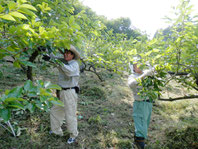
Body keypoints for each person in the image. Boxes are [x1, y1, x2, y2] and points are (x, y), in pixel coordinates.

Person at [43, 45, 80, 144]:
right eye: (65, 52)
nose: (65, 54)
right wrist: (45, 50)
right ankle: (56, 131)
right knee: (55, 111)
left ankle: (73, 134)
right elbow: (54, 58)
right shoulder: (64, 61)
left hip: (69, 92)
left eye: (68, 53)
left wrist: (56, 61)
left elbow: (68, 71)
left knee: (70, 114)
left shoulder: (74, 64)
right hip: (60, 91)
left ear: (72, 55)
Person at [128, 57, 155, 149]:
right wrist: (144, 75)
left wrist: (152, 71)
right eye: (136, 65)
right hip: (140, 103)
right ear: (133, 68)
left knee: (144, 124)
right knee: (140, 125)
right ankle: (140, 145)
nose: (139, 66)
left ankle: (136, 143)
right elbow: (131, 84)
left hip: (148, 103)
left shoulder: (147, 76)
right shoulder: (133, 76)